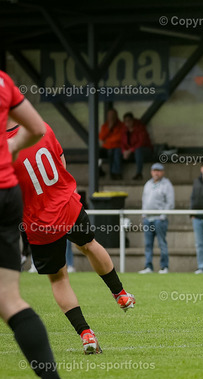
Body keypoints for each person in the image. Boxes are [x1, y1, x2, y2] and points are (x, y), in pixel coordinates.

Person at [9, 117, 136, 354]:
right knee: (89, 244)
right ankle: (120, 294)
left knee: (59, 279)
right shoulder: (41, 127)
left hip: (39, 222)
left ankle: (86, 334)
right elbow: (61, 161)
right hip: (67, 205)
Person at [0, 69, 77, 379]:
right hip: (9, 195)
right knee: (9, 299)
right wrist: (8, 149)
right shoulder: (3, 81)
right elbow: (35, 127)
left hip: (40, 211)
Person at [139, 163, 174, 274]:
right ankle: (148, 266)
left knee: (161, 243)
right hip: (148, 219)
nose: (156, 173)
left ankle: (164, 267)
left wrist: (163, 216)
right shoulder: (148, 184)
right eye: (154, 170)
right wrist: (144, 214)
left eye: (158, 171)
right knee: (148, 244)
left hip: (159, 219)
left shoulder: (167, 184)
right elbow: (144, 200)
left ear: (162, 172)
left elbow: (170, 202)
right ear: (151, 172)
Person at [121, 112, 152, 180]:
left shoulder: (140, 127)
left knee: (138, 151)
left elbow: (141, 142)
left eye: (129, 120)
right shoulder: (124, 129)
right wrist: (124, 151)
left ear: (132, 120)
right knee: (116, 151)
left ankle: (139, 173)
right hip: (130, 151)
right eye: (126, 121)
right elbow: (122, 142)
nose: (127, 123)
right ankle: (116, 173)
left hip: (144, 149)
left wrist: (130, 150)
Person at [98, 108, 125, 180]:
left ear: (116, 116)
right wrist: (109, 128)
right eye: (109, 116)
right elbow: (101, 137)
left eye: (113, 115)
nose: (111, 117)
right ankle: (98, 170)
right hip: (107, 148)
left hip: (117, 147)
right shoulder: (105, 126)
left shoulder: (121, 125)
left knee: (114, 152)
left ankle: (116, 173)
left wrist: (108, 140)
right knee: (97, 153)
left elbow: (119, 137)